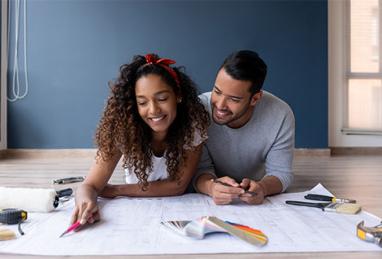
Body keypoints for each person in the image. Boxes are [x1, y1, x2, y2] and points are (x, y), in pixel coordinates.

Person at [72, 53, 209, 225]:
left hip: (179, 210)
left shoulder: (192, 127)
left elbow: (177, 186)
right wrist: (86, 202)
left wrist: (116, 190)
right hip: (137, 210)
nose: (153, 110)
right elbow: (89, 186)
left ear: (178, 95)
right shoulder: (124, 130)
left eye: (162, 99)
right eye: (142, 103)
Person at [194, 50, 295, 205]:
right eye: (217, 92)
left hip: (256, 184)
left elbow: (282, 173)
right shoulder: (198, 110)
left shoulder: (280, 114)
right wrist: (210, 187)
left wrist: (263, 188)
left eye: (234, 99)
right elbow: (198, 170)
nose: (220, 105)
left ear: (255, 99)